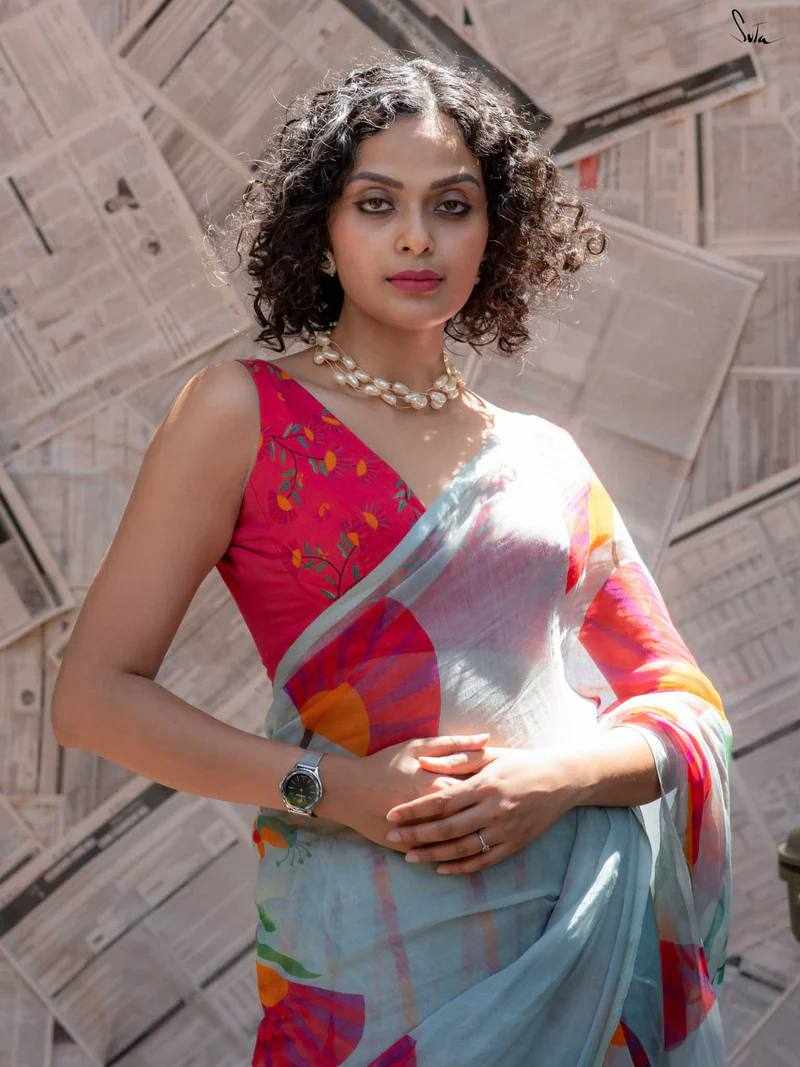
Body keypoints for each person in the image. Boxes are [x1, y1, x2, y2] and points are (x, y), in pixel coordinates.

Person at [51, 54, 732, 1066]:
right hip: (363, 958)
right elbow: (94, 696)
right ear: (321, 232)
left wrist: (554, 779)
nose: (417, 236)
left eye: (452, 205)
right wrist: (335, 790)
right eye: (377, 204)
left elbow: (684, 705)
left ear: (495, 232)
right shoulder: (243, 414)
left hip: (581, 949)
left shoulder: (541, 457)